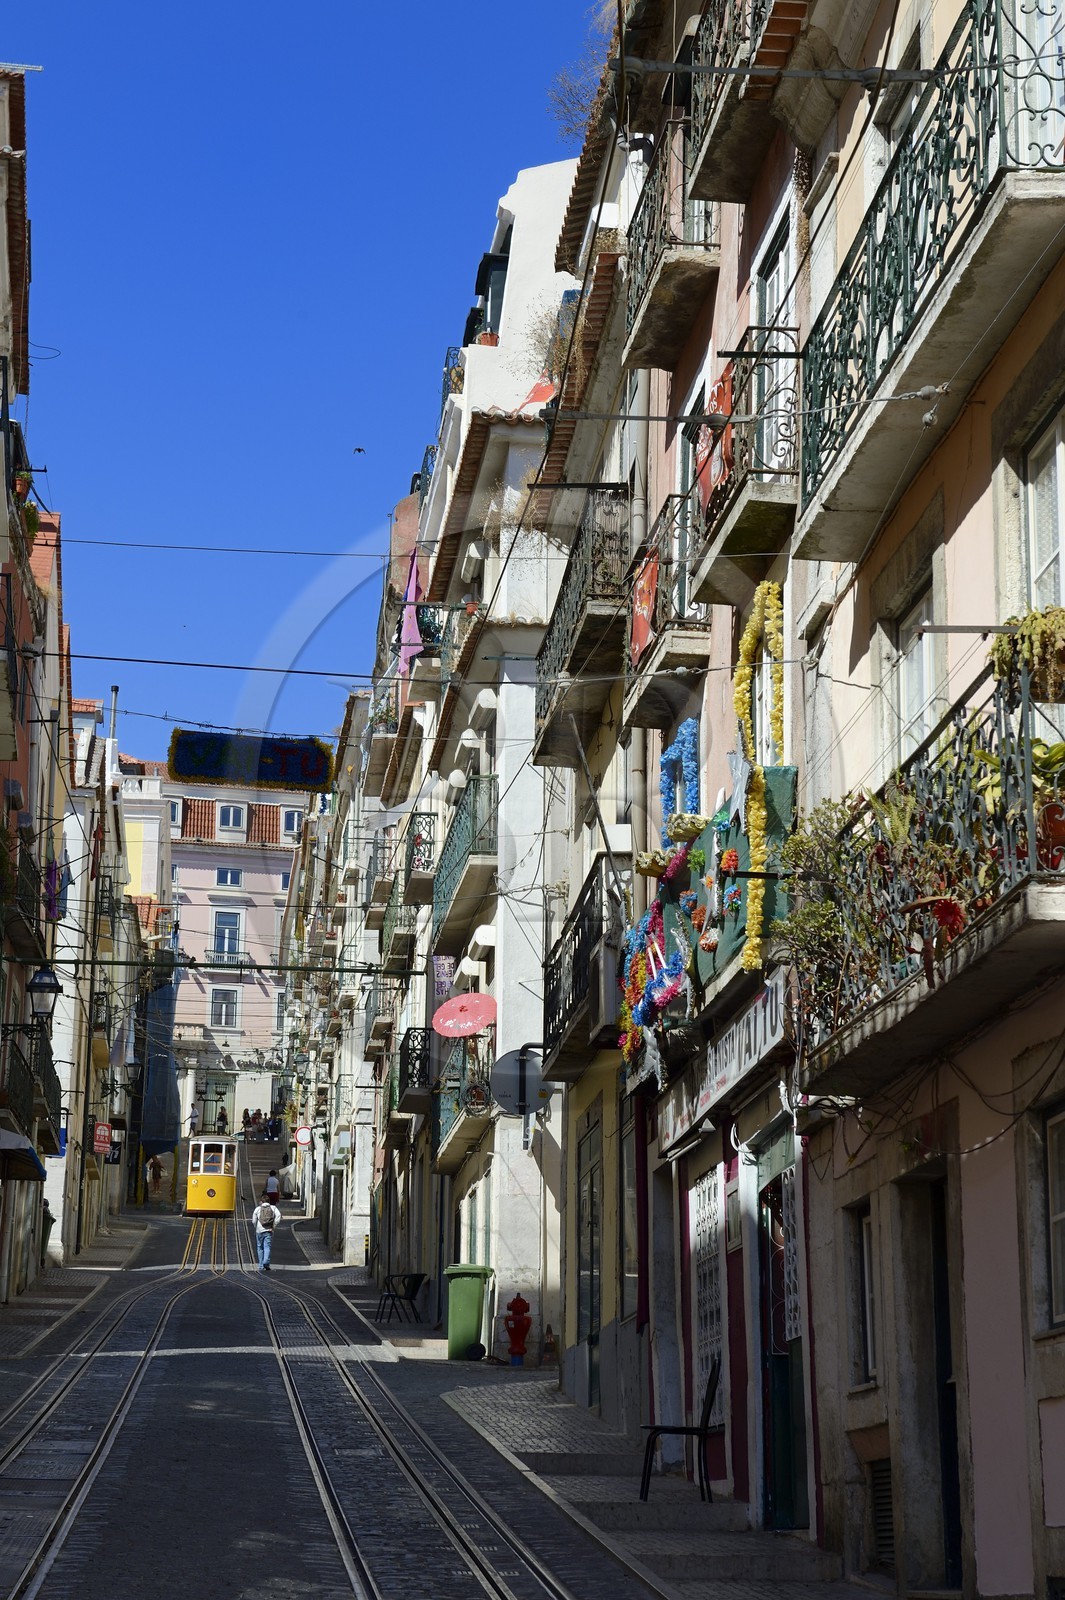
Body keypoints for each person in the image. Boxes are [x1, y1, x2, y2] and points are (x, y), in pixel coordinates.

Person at [252, 1191, 278, 1272]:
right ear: (269, 1201)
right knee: (267, 1247)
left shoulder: (258, 1209)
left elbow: (253, 1220)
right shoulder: (273, 1208)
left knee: (260, 1247)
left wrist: (256, 1227)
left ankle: (260, 1265)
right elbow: (279, 1216)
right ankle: (266, 1262)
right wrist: (273, 1226)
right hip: (268, 1230)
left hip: (259, 1231)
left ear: (261, 1201)